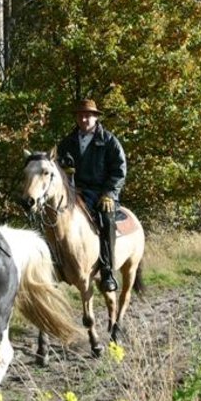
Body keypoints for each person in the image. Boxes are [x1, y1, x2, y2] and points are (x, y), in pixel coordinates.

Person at [55, 98, 126, 293]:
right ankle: (56, 266)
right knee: (52, 217)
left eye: (88, 115)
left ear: (95, 117)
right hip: (73, 193)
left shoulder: (110, 141)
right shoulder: (67, 142)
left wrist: (110, 194)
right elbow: (58, 168)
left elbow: (119, 171)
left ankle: (107, 271)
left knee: (106, 220)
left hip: (101, 193)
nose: (84, 119)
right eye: (80, 115)